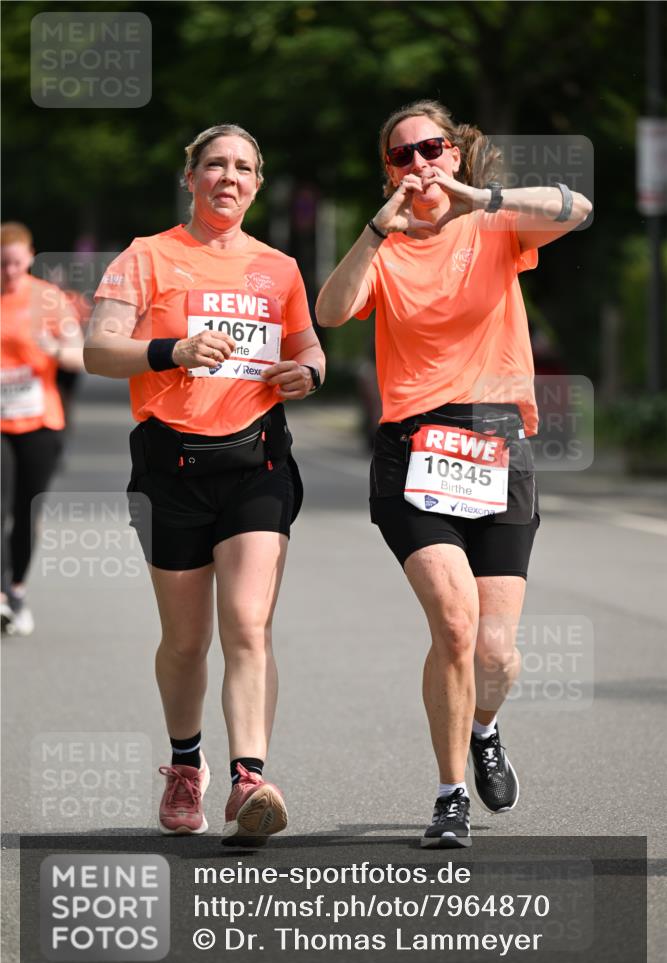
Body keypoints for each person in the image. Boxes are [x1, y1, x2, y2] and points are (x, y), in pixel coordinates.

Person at [316, 100, 591, 849]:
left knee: (495, 650)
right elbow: (331, 311)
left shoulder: (494, 224)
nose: (419, 165)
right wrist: (376, 231)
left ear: (454, 154)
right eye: (401, 156)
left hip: (498, 445)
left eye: (430, 149)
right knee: (454, 623)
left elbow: (578, 206)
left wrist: (486, 198)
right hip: (413, 450)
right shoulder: (385, 245)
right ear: (387, 173)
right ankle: (448, 796)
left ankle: (484, 727)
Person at [85, 124, 325, 844]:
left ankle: (250, 778)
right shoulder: (145, 258)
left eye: (243, 167)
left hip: (257, 463)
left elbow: (306, 344)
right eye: (215, 164)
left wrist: (307, 372)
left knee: (247, 625)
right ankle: (187, 766)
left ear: (256, 185)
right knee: (186, 641)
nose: (229, 176)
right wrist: (173, 349)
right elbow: (98, 349)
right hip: (171, 467)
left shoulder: (277, 267)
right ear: (189, 177)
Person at [1, 222, 84, 636]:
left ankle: (15, 589)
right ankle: (0, 594)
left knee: (25, 510)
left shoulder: (47, 299)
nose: (10, 272)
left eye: (16, 263)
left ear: (30, 257)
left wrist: (54, 349)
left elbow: (80, 355)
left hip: (40, 419)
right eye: (2, 265)